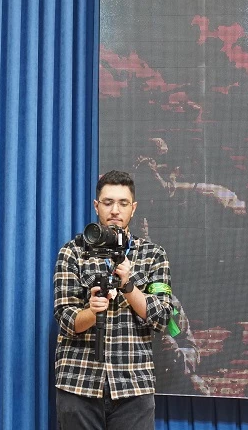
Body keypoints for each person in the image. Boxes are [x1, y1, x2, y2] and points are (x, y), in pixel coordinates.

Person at [53, 170, 173, 429]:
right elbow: (65, 318)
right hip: (78, 383)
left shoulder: (153, 255)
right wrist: (92, 311)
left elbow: (162, 317)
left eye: (123, 203)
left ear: (133, 208)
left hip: (133, 386)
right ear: (96, 206)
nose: (115, 210)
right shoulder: (72, 252)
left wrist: (129, 285)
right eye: (108, 202)